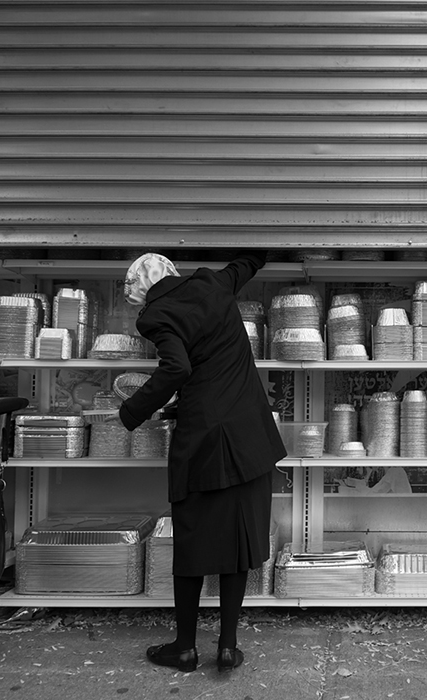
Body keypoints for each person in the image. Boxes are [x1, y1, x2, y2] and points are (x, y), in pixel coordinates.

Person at [117, 251, 286, 673]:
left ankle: (186, 647)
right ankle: (227, 646)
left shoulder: (155, 315)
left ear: (141, 285)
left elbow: (177, 367)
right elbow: (245, 265)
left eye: (131, 290)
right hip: (250, 439)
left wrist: (132, 412)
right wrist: (269, 244)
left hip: (204, 443)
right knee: (239, 542)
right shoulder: (214, 282)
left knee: (192, 542)